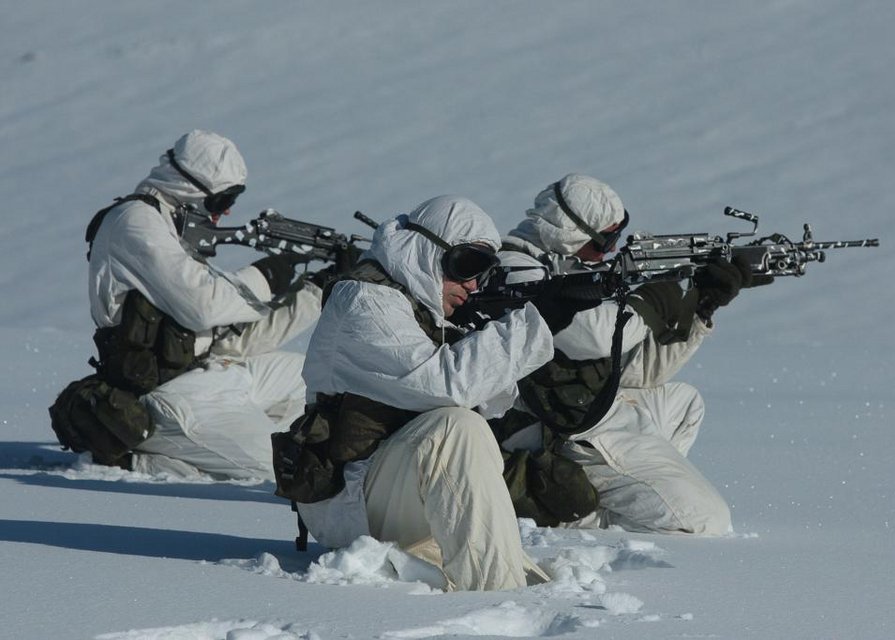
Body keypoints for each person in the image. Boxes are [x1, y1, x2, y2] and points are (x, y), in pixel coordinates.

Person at [293, 195, 559, 591]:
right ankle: (500, 599)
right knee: (457, 429)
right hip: (348, 499)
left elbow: (490, 400)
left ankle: (502, 579)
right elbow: (443, 385)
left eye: (482, 274)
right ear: (425, 248)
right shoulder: (364, 301)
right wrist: (541, 320)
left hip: (389, 486)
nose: (471, 285)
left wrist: (477, 331)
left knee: (463, 425)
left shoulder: (414, 305)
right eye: (466, 266)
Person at [494, 173, 765, 536]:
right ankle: (588, 518)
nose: (607, 252)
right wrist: (652, 299)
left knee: (685, 403)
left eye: (616, 239)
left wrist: (700, 308)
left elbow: (643, 373)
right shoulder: (517, 271)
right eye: (602, 241)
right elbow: (593, 337)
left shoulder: (569, 267)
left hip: (594, 406)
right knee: (708, 522)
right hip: (563, 430)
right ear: (568, 231)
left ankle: (637, 492)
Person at [81, 129, 325, 480]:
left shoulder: (174, 229)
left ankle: (227, 446)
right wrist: (268, 276)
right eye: (219, 201)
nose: (224, 213)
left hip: (218, 373)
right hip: (175, 393)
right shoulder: (134, 223)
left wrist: (317, 291)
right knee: (277, 474)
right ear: (188, 188)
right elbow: (206, 306)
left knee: (324, 386)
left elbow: (231, 339)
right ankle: (147, 458)